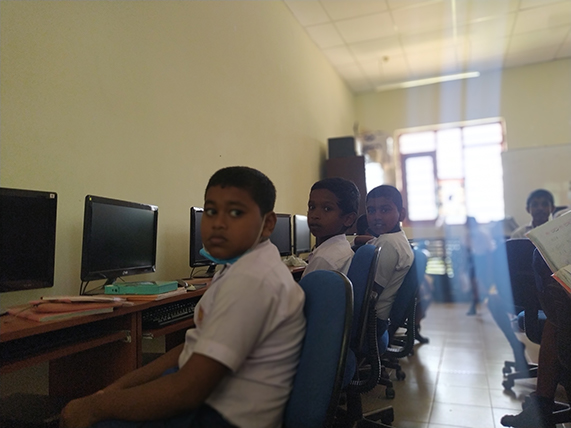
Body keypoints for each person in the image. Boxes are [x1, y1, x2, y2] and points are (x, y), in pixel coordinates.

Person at [60, 166, 306, 428]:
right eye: (211, 211)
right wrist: (114, 389)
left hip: (220, 417)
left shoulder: (252, 282)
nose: (218, 223)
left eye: (236, 212)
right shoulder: (240, 265)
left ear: (267, 224)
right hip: (208, 399)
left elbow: (186, 392)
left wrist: (92, 408)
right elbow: (193, 346)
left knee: (82, 416)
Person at [487, 189, 555, 374]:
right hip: (526, 296)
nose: (540, 208)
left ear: (552, 208)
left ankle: (555, 363)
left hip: (552, 295)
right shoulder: (518, 234)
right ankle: (516, 346)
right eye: (535, 204)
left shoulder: (558, 234)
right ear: (528, 209)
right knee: (493, 301)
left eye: (545, 204)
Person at [365, 185, 414, 342]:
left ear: (402, 214)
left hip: (370, 323)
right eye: (371, 211)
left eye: (385, 210)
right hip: (382, 319)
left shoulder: (387, 243)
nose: (377, 216)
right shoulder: (397, 238)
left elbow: (370, 292)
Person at [302, 177, 359, 278]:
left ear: (348, 219)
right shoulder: (342, 248)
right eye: (312, 207)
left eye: (327, 208)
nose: (314, 215)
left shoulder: (324, 259)